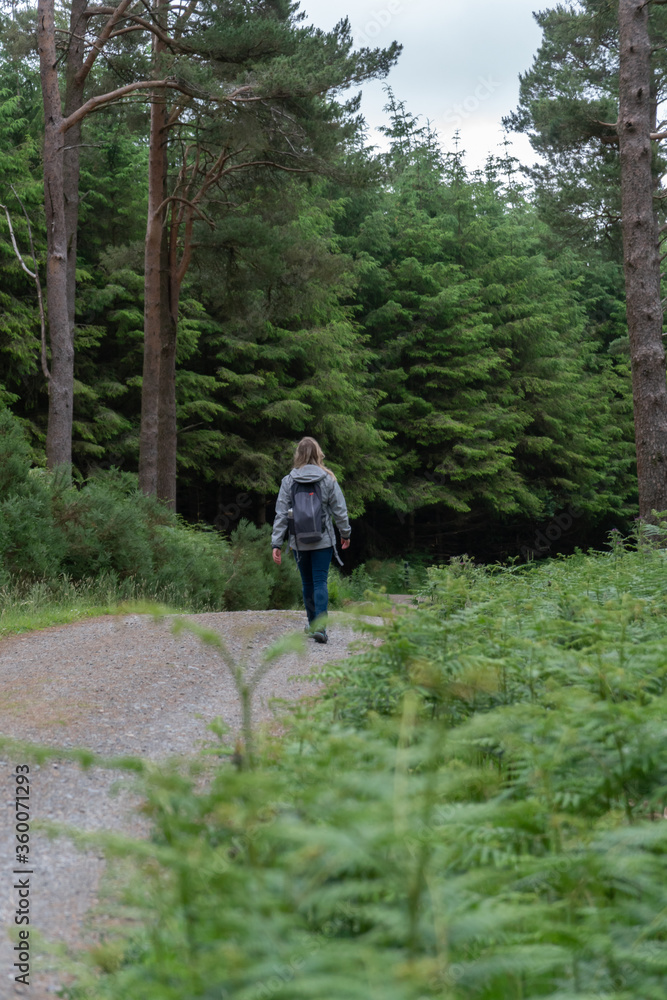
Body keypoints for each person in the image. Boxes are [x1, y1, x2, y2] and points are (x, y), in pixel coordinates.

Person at [271, 437, 351, 644]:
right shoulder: (327, 479)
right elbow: (340, 510)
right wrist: (345, 534)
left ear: (298, 454)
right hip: (322, 540)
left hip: (298, 540)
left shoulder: (289, 480)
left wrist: (276, 543)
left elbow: (281, 514)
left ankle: (312, 624)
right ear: (318, 454)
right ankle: (320, 629)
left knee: (307, 582)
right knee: (319, 581)